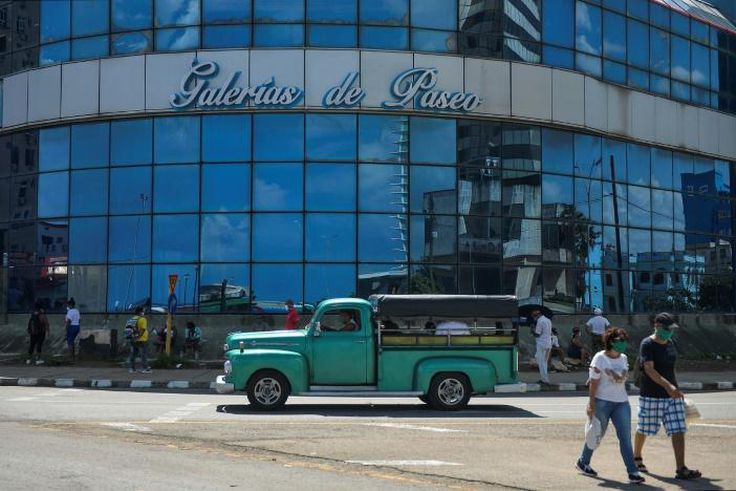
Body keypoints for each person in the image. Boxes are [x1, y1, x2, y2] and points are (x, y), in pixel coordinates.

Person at [633, 313, 701, 480]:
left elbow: (670, 369)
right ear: (656, 325)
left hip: (672, 396)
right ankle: (636, 458)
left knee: (678, 429)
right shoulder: (647, 344)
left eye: (671, 329)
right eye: (666, 329)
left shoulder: (671, 343)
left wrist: (675, 388)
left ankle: (681, 468)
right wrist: (668, 386)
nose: (669, 332)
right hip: (651, 395)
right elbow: (649, 369)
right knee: (644, 428)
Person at [576, 327, 645, 484]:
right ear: (611, 341)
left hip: (621, 403)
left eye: (624, 341)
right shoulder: (599, 358)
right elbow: (593, 383)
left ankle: (633, 472)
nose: (623, 344)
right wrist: (591, 403)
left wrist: (613, 374)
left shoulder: (624, 358)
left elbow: (622, 378)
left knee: (625, 438)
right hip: (602, 402)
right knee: (596, 434)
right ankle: (583, 461)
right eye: (620, 341)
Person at [127, 306, 152, 374]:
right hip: (142, 339)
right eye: (143, 311)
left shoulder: (131, 319)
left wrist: (134, 338)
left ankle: (132, 369)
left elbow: (129, 330)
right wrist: (138, 337)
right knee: (143, 354)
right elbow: (143, 330)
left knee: (133, 354)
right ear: (140, 312)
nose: (144, 312)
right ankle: (145, 368)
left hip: (133, 339)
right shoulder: (143, 319)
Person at [531, 309, 552, 385]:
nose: (534, 318)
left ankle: (544, 380)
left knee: (541, 362)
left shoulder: (540, 321)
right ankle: (544, 378)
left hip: (541, 344)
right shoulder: (548, 320)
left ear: (537, 315)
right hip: (548, 343)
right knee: (544, 362)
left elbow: (537, 334)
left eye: (534, 316)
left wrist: (532, 330)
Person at [26, 300, 50, 365]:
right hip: (40, 332)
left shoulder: (33, 313)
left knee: (32, 345)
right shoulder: (42, 314)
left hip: (33, 332)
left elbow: (30, 323)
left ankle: (28, 359)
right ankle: (38, 359)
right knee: (39, 345)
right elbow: (46, 323)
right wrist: (48, 332)